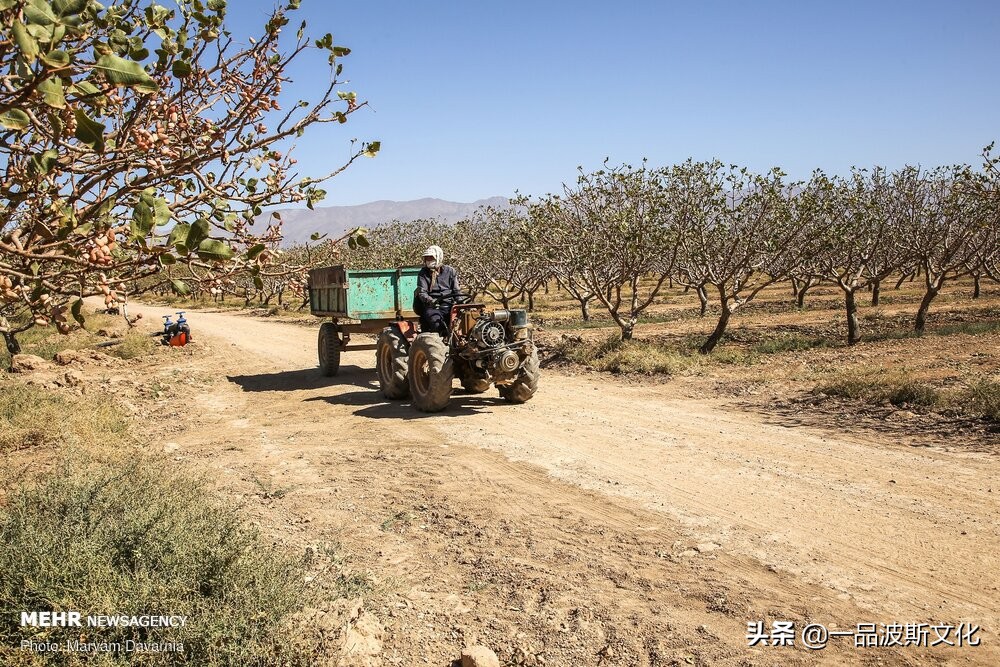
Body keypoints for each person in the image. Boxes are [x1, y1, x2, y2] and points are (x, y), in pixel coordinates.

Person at [416, 245, 460, 337]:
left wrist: (460, 301)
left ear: (438, 257)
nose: (428, 260)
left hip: (450, 305)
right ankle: (441, 340)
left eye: (431, 257)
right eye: (427, 258)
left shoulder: (450, 271)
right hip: (433, 307)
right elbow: (422, 292)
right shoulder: (423, 273)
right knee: (436, 322)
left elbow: (456, 291)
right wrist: (431, 301)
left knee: (468, 318)